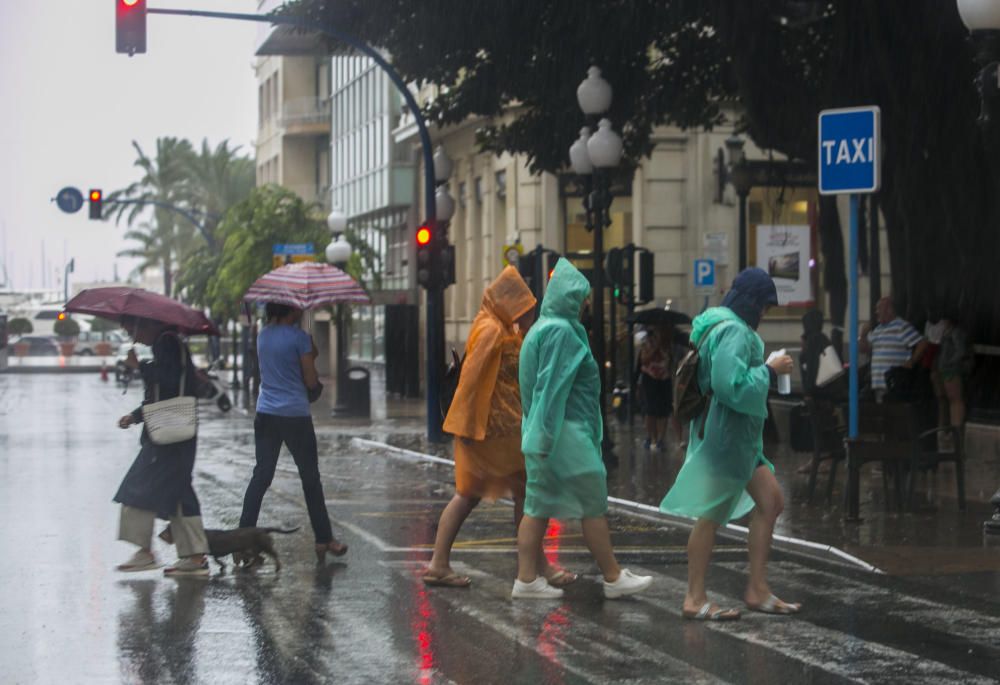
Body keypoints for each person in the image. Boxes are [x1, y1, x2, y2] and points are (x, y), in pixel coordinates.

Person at [660, 267, 798, 620]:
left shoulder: (719, 326)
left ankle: (758, 589)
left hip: (739, 440)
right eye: (764, 307)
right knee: (711, 516)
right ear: (752, 302)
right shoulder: (735, 331)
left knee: (771, 501)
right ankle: (694, 597)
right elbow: (729, 384)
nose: (765, 315)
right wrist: (769, 370)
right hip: (727, 440)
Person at [424, 267, 575, 588]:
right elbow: (471, 379)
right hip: (492, 433)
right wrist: (462, 427)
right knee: (516, 495)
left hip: (501, 432)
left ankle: (442, 563)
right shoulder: (492, 330)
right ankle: (537, 567)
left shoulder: (499, 327)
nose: (527, 314)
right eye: (522, 307)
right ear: (508, 302)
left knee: (490, 495)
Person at [513, 258, 653, 600]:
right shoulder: (561, 331)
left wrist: (537, 438)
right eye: (582, 297)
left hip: (546, 433)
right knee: (591, 501)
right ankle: (612, 577)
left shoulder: (543, 328)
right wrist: (545, 438)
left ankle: (527, 579)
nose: (586, 303)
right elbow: (552, 388)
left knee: (537, 506)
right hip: (564, 433)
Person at [239, 303, 348, 563]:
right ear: (291, 310)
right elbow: (310, 379)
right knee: (310, 479)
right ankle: (324, 539)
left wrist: (308, 349)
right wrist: (309, 355)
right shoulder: (299, 338)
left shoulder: (263, 335)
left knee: (261, 476)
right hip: (294, 415)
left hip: (266, 414)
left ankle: (241, 541)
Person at [114, 315, 211, 576]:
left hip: (170, 434)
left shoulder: (165, 343)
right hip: (172, 429)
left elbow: (167, 382)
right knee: (178, 491)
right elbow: (163, 393)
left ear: (144, 324)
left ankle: (147, 552)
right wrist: (136, 416)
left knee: (138, 483)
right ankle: (194, 556)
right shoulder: (168, 342)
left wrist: (140, 366)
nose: (133, 337)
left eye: (130, 329)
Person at [859, 297, 928, 402]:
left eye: (879, 308)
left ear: (890, 309)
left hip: (895, 383)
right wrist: (863, 335)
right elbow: (864, 350)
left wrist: (912, 360)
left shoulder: (901, 326)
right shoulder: (878, 329)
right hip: (878, 384)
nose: (876, 312)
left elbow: (922, 343)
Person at [935, 318, 971, 452]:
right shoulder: (946, 332)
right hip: (945, 369)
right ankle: (950, 429)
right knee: (949, 399)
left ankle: (956, 429)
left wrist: (950, 362)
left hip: (952, 370)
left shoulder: (956, 332)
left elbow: (960, 351)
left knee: (955, 400)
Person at [638, 326, 673, 450]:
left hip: (664, 378)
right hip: (650, 378)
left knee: (663, 410)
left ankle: (660, 440)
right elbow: (643, 360)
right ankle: (650, 437)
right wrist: (655, 348)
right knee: (650, 409)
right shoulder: (646, 342)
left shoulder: (668, 343)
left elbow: (669, 360)